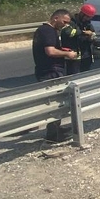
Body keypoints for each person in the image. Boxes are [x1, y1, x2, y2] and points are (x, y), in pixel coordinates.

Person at [32, 9, 77, 142]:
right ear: (56, 18)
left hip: (48, 69)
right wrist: (67, 54)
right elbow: (50, 51)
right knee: (55, 102)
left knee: (57, 102)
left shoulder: (46, 30)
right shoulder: (48, 31)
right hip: (50, 71)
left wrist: (62, 50)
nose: (65, 25)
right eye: (64, 22)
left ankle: (56, 129)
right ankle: (53, 135)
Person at [61, 3, 97, 75]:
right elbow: (68, 33)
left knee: (85, 76)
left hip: (86, 55)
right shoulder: (71, 22)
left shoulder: (88, 24)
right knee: (73, 76)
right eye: (86, 17)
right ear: (82, 13)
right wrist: (84, 32)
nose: (87, 19)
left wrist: (91, 37)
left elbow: (93, 34)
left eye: (89, 17)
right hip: (74, 54)